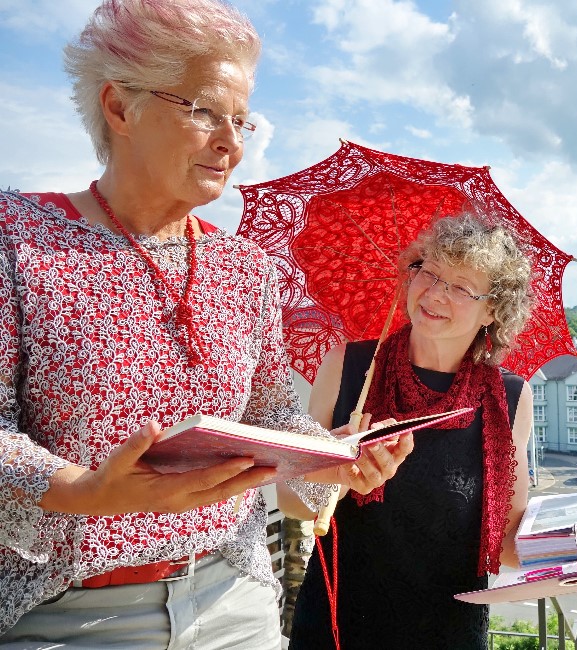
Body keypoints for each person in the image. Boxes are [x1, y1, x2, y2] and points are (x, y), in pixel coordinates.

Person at [0, 1, 412, 647]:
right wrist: (81, 491)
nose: (233, 142)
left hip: (236, 600)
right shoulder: (15, 238)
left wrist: (331, 457)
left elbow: (272, 412)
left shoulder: (245, 267)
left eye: (241, 119)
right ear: (118, 107)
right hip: (70, 613)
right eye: (203, 111)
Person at [283, 214, 535, 649]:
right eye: (429, 273)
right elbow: (290, 497)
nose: (435, 293)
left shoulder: (510, 397)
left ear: (492, 309)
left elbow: (510, 543)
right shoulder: (349, 366)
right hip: (337, 628)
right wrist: (337, 473)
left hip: (450, 634)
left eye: (459, 286)